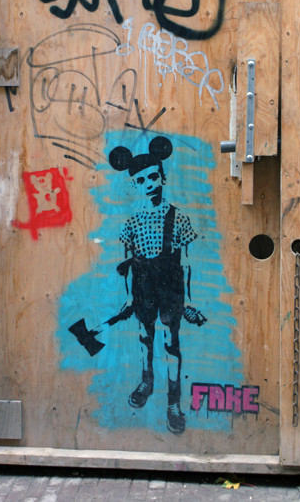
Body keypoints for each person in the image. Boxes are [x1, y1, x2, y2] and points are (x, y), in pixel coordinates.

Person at [109, 136, 197, 435]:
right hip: (143, 284)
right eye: (141, 180)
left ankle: (173, 401)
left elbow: (187, 263)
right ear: (134, 185)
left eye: (153, 177)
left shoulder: (178, 217)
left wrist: (189, 300)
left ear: (163, 177)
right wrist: (127, 298)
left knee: (171, 343)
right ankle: (146, 382)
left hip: (170, 284)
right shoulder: (132, 223)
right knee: (144, 336)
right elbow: (125, 265)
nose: (148, 184)